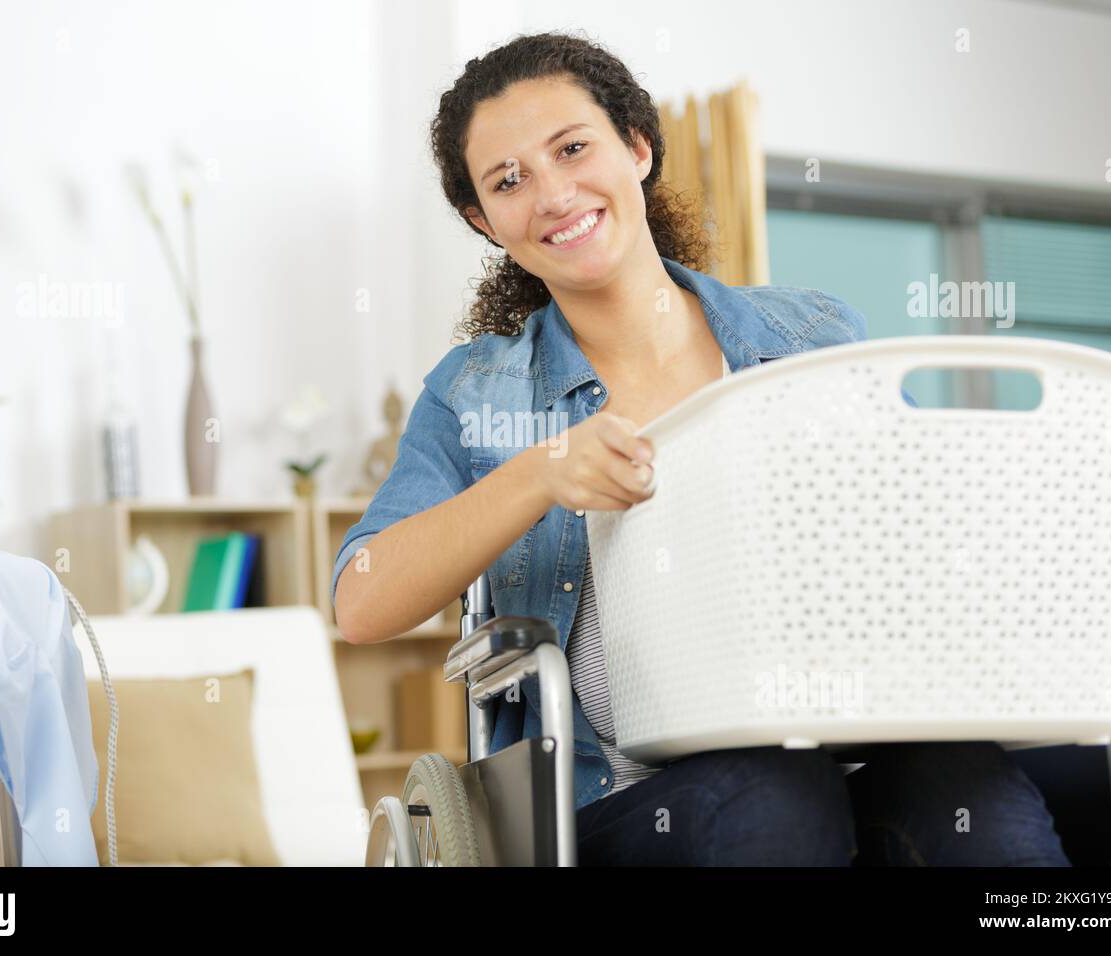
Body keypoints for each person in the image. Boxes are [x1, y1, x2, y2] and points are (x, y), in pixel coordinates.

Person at [332, 30, 1070, 866]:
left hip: (854, 738)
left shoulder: (813, 334)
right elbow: (361, 604)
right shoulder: (475, 394)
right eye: (509, 181)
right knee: (772, 793)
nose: (552, 193)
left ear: (637, 147)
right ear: (484, 220)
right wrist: (541, 472)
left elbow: (912, 534)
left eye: (573, 148)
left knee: (976, 792)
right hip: (628, 796)